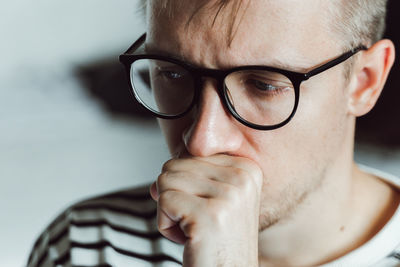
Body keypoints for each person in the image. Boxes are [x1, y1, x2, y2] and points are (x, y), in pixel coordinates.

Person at [27, 0, 400, 266]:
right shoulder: (87, 245)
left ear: (364, 83)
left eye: (263, 85)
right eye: (171, 73)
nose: (201, 141)